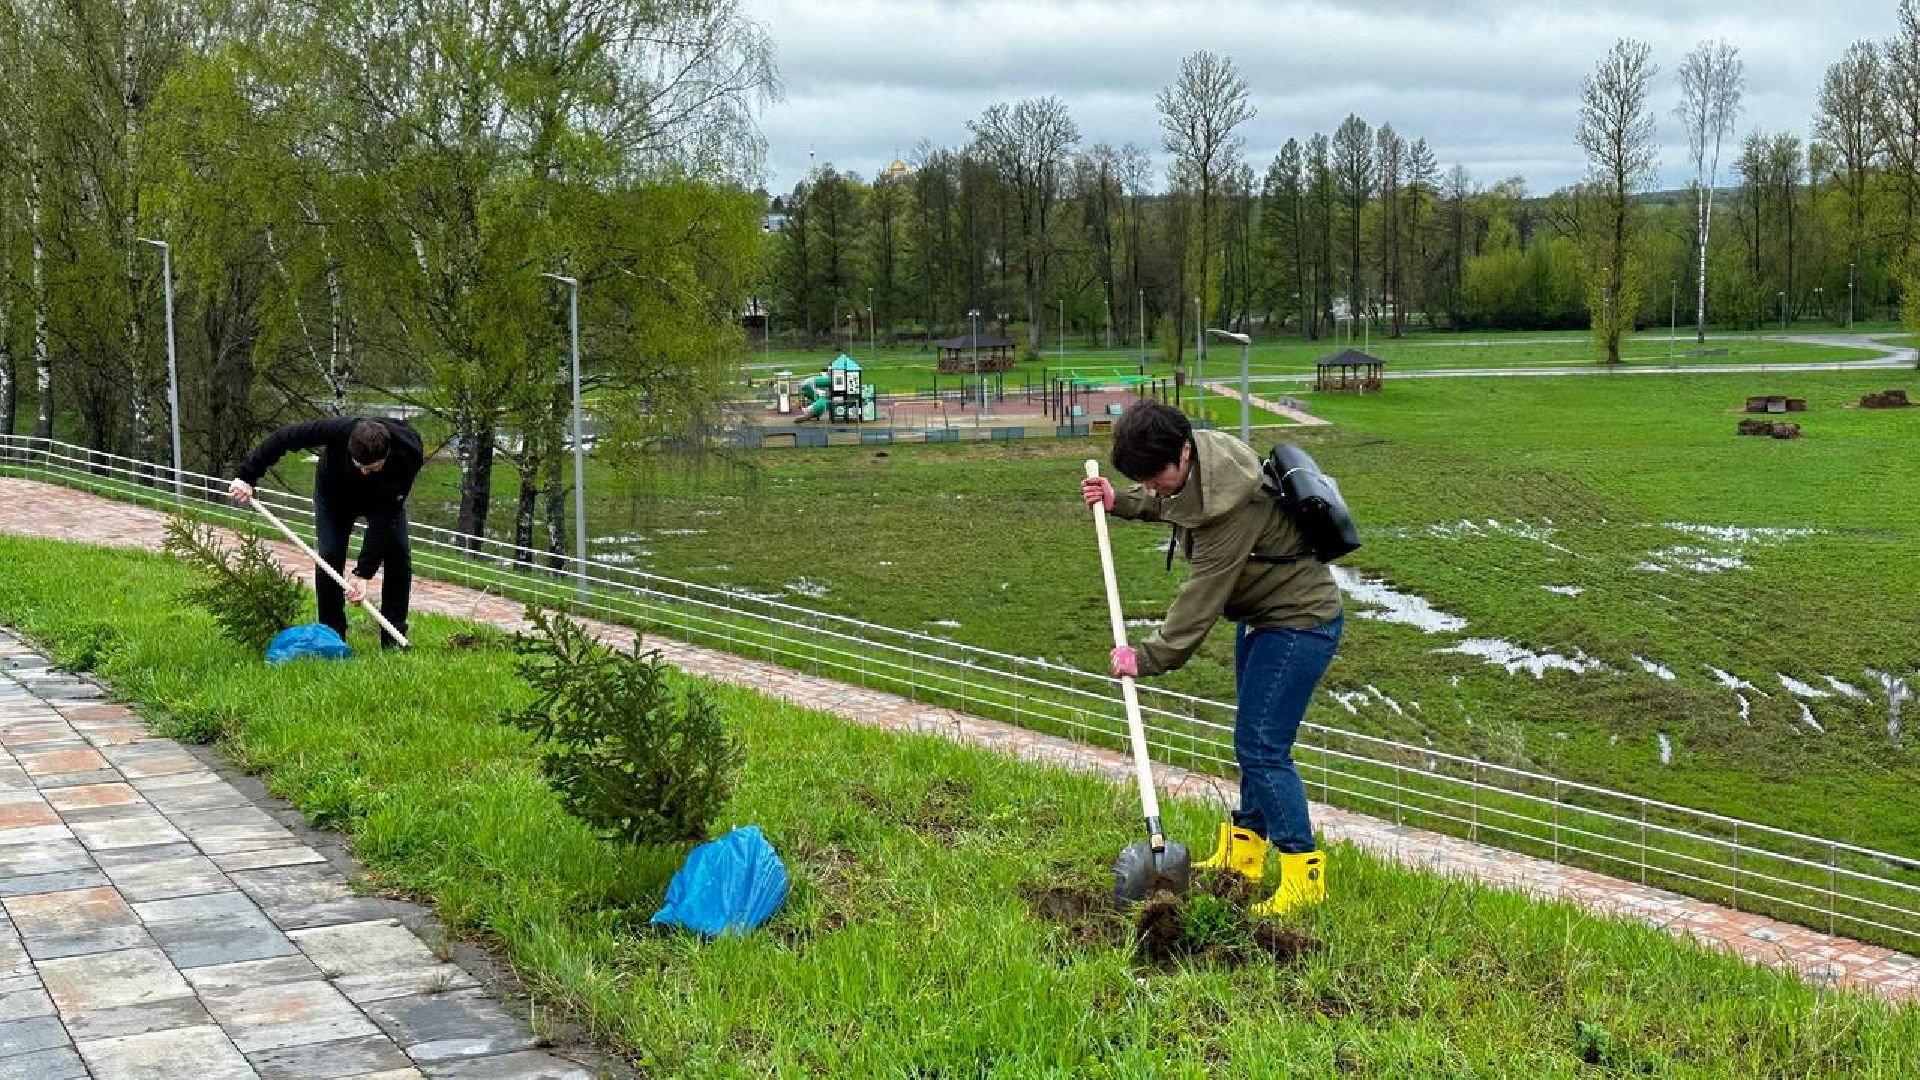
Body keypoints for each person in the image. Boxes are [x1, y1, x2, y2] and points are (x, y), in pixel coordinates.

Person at [1081, 399, 1344, 917]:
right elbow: (1175, 500)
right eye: (1141, 480)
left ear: (1183, 451)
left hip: (1299, 622)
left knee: (1263, 748)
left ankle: (1304, 876)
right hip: (1264, 617)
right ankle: (1243, 856)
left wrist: (1148, 656)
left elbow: (1202, 596)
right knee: (1253, 742)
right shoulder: (1198, 461)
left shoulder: (1232, 505)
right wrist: (1122, 502)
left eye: (1154, 477)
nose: (1152, 487)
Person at [227, 417, 425, 649]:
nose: (364, 473)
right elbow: (285, 437)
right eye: (359, 466)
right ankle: (331, 636)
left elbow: (385, 518)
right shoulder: (337, 431)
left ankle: (394, 638)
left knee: (398, 554)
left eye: (372, 468)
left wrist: (363, 573)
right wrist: (247, 476)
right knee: (330, 555)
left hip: (384, 499)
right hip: (335, 494)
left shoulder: (408, 452)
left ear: (387, 453)